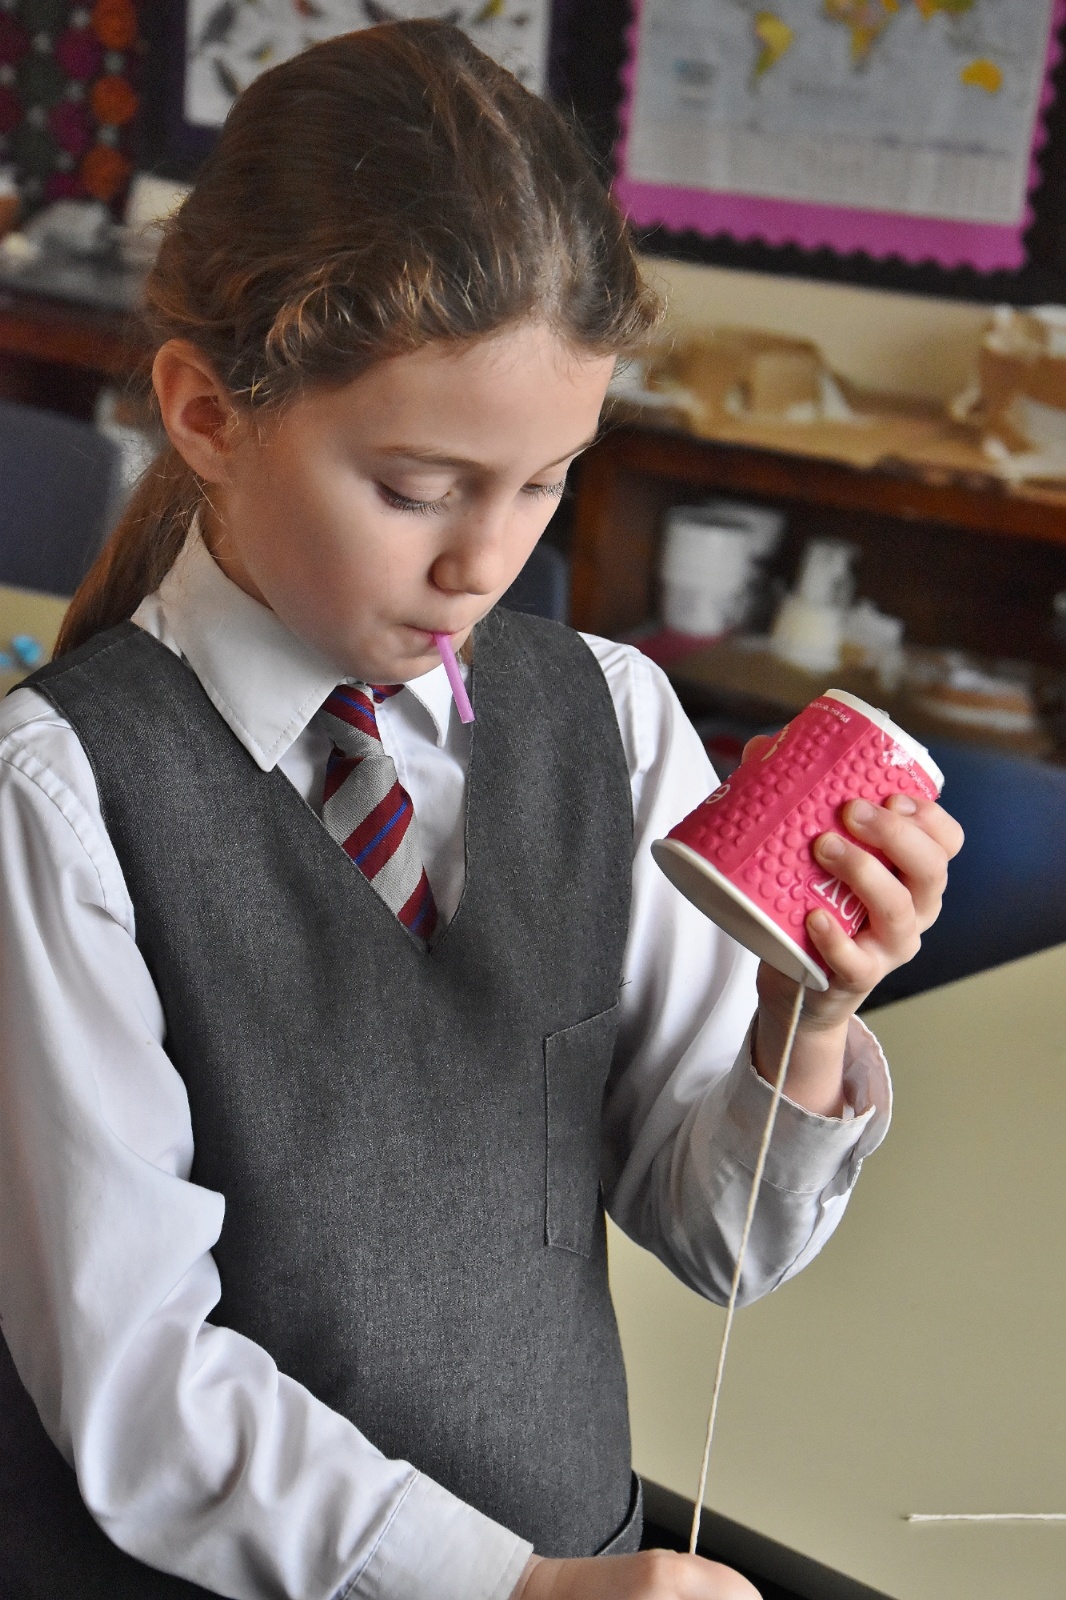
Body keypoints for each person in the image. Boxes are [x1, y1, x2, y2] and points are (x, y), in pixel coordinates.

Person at [0, 21, 962, 1600]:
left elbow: (721, 1243)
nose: (482, 563)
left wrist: (801, 1024)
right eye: (416, 488)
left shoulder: (612, 719)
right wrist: (510, 1588)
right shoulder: (60, 803)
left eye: (541, 483)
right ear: (206, 413)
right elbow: (137, 1382)